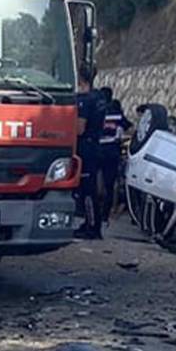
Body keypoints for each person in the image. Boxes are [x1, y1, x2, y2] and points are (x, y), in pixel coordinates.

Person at [74, 67, 107, 239]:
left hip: (85, 147)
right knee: (91, 187)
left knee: (87, 189)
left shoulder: (84, 101)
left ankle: (92, 226)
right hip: (96, 144)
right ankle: (92, 223)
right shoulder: (99, 97)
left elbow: (79, 128)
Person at [94, 86, 132, 233]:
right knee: (110, 186)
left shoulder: (97, 111)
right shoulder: (117, 114)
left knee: (94, 184)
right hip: (112, 152)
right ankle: (105, 215)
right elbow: (128, 127)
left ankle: (93, 214)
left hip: (97, 150)